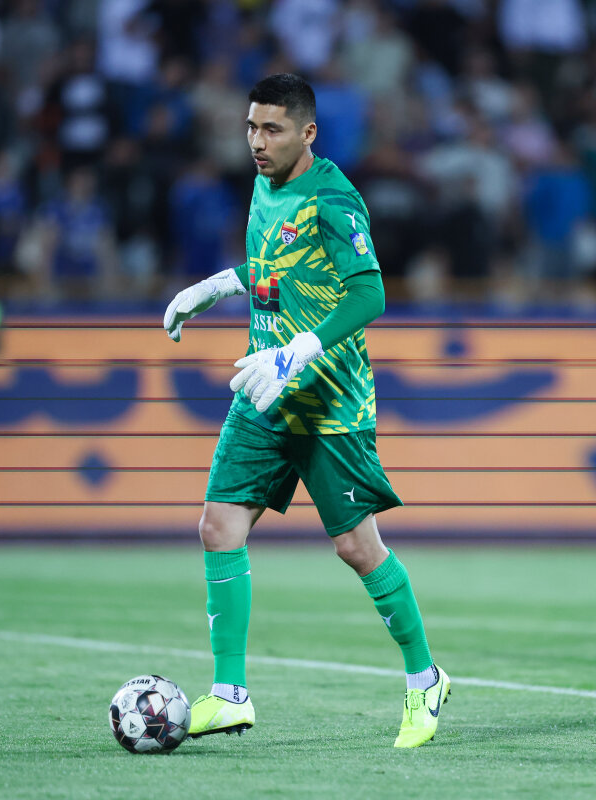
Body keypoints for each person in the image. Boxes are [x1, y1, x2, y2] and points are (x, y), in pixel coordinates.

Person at [162, 74, 449, 749]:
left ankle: (425, 678)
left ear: (308, 132)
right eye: (251, 128)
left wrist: (300, 351)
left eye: (273, 129)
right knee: (218, 526)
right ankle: (229, 695)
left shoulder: (334, 198)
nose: (257, 143)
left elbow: (370, 294)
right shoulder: (265, 184)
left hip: (328, 402)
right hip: (265, 392)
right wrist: (217, 286)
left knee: (357, 548)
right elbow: (278, 269)